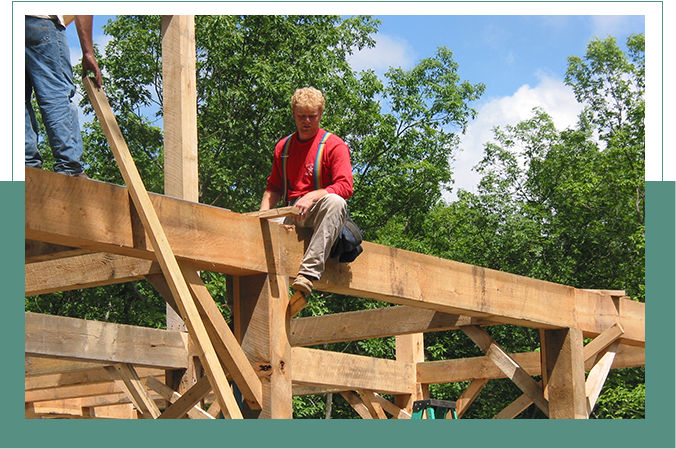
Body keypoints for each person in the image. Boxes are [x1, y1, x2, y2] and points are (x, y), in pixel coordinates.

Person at [260, 87, 354, 296]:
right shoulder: (283, 147)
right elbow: (274, 186)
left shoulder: (333, 145)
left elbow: (346, 186)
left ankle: (308, 274)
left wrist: (312, 196)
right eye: (302, 116)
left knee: (336, 202)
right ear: (293, 114)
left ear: (320, 114)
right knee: (245, 232)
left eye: (312, 116)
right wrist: (262, 215)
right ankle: (233, 308)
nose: (307, 121)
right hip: (291, 213)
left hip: (319, 212)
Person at [25, 15, 102, 178]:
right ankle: (70, 168)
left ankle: (26, 168)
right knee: (55, 96)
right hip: (39, 21)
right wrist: (88, 52)